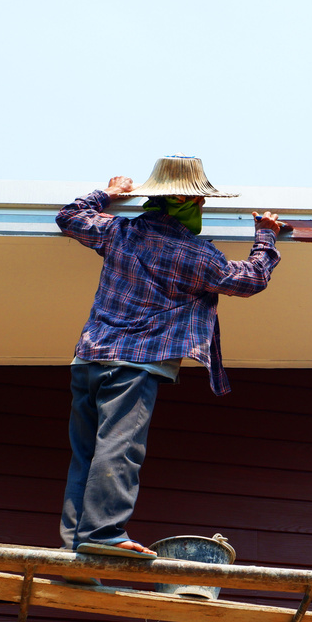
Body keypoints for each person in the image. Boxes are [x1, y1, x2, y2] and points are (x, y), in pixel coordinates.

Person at [55, 155, 283, 559]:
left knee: (86, 457)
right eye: (199, 203)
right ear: (184, 202)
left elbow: (70, 216)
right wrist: (265, 236)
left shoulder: (118, 232)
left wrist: (107, 193)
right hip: (136, 366)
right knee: (119, 449)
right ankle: (104, 534)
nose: (202, 209)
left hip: (89, 358)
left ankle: (76, 550)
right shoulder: (197, 256)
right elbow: (250, 279)